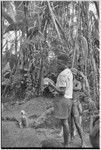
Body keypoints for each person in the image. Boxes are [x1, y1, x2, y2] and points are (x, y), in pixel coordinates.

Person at [47, 61, 73, 147]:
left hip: (63, 99)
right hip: (69, 99)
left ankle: (66, 144)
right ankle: (67, 142)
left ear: (63, 63)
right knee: (66, 122)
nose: (57, 65)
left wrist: (52, 86)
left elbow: (62, 92)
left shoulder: (62, 74)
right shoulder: (69, 71)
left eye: (59, 63)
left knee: (64, 122)